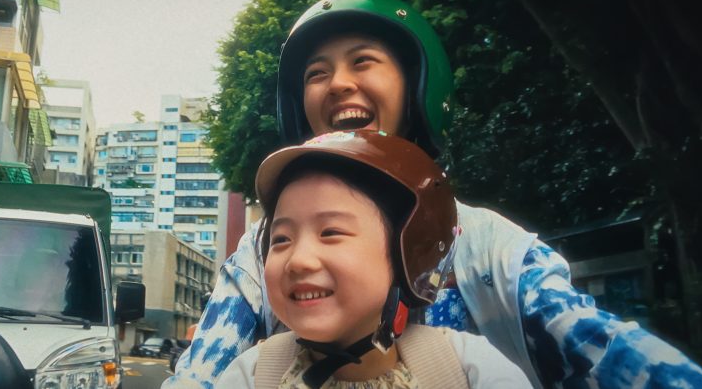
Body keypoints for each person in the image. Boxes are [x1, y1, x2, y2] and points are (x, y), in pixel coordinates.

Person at [164, 0, 702, 388]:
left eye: (364, 62)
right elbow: (201, 377)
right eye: (316, 73)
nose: (339, 83)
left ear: (419, 89)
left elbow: (606, 351)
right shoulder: (260, 258)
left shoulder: (485, 247)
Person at [216, 130, 532, 388]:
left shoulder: (466, 369)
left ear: (407, 253)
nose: (298, 261)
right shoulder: (253, 376)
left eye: (330, 232)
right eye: (281, 239)